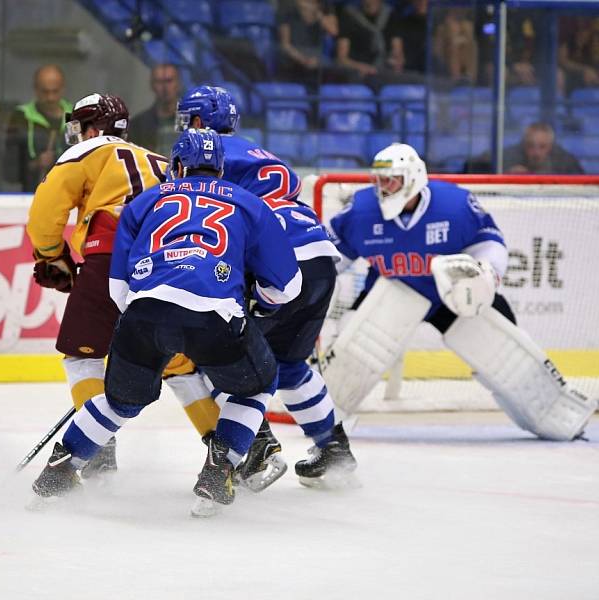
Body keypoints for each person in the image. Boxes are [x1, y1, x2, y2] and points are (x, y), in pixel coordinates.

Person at [31, 128, 303, 517]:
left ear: (176, 166)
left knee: (120, 400)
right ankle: (218, 470)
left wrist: (154, 318)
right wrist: (259, 299)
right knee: (257, 385)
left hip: (144, 313)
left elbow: (119, 288)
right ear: (221, 168)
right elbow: (288, 286)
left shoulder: (143, 202)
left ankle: (58, 472)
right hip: (215, 317)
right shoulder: (248, 203)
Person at [323, 143, 597, 442]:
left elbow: (490, 244)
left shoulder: (454, 205)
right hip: (390, 293)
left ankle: (552, 413)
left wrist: (488, 274)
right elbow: (329, 259)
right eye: (380, 179)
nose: (383, 187)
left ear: (413, 177)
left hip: (450, 295)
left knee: (507, 347)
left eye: (392, 179)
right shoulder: (360, 211)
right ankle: (325, 419)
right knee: (349, 351)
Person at [176, 85, 357, 488]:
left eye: (187, 119)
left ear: (200, 122)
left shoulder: (205, 154)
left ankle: (255, 448)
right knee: (290, 365)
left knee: (210, 355)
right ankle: (333, 450)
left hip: (276, 258)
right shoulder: (260, 153)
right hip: (319, 256)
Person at [26, 92, 169, 478]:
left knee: (82, 355)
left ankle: (98, 447)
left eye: (80, 127)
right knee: (186, 365)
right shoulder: (160, 162)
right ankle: (239, 447)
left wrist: (52, 256)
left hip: (110, 256)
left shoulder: (86, 152)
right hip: (169, 266)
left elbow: (45, 214)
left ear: (91, 127)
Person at [4, 64, 72, 192]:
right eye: (45, 92)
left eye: (55, 91)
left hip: (68, 197)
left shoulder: (75, 116)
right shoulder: (21, 117)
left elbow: (86, 163)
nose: (50, 97)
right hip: (30, 197)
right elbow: (10, 171)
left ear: (63, 89)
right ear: (35, 89)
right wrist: (35, 165)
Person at [465, 122, 585, 175]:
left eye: (542, 146)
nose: (536, 152)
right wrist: (506, 175)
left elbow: (582, 186)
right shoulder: (507, 156)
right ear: (523, 144)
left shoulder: (565, 161)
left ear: (551, 146)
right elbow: (471, 166)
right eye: (531, 146)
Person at [276, 0, 339, 82]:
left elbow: (333, 31)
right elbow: (285, 45)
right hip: (294, 57)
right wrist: (303, 60)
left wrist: (318, 15)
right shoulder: (287, 7)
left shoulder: (324, 6)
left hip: (316, 57)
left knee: (335, 72)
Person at [127, 63, 182, 156]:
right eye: (159, 82)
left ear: (178, 84)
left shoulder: (192, 120)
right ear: (152, 85)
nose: (165, 87)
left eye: (169, 81)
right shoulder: (138, 125)